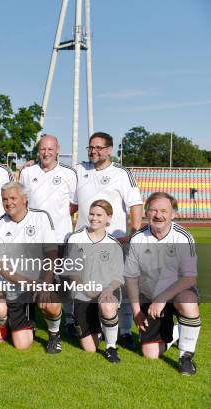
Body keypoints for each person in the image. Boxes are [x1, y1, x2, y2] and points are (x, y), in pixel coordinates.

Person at [73, 132, 143, 349]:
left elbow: (135, 205)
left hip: (115, 242)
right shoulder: (79, 170)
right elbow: (71, 205)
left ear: (110, 149)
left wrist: (132, 234)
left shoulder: (122, 173)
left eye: (99, 147)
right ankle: (94, 328)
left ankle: (124, 331)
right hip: (85, 242)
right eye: (91, 147)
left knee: (117, 287)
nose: (94, 151)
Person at [125, 192, 201, 375]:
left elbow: (190, 278)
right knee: (150, 354)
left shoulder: (183, 237)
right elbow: (131, 278)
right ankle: (177, 332)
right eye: (153, 210)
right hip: (149, 295)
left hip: (177, 291)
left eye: (164, 211)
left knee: (187, 302)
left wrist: (162, 299)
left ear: (173, 214)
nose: (158, 215)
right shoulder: (138, 238)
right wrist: (136, 312)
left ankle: (185, 357)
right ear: (147, 213)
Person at [0, 182, 62, 353]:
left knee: (50, 303)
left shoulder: (41, 217)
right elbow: (1, 266)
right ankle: (29, 322)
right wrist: (31, 284)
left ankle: (54, 334)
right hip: (16, 285)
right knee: (22, 345)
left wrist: (44, 283)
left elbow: (52, 252)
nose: (9, 202)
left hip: (42, 278)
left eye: (13, 198)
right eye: (5, 199)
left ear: (24, 199)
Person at [19, 134, 78, 335]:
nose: (46, 153)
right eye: (43, 149)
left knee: (63, 280)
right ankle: (30, 320)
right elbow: (23, 203)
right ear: (38, 150)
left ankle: (69, 319)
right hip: (33, 239)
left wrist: (55, 219)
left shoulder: (69, 173)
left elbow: (74, 204)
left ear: (58, 149)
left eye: (50, 149)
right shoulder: (27, 173)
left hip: (60, 237)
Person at [65, 200, 124, 363]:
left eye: (99, 215)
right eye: (92, 214)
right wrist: (86, 289)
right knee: (90, 348)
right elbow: (72, 272)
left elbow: (118, 277)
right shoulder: (75, 238)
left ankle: (111, 347)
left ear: (108, 218)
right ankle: (105, 326)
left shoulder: (114, 244)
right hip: (83, 294)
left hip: (106, 291)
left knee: (107, 305)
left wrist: (107, 290)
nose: (94, 218)